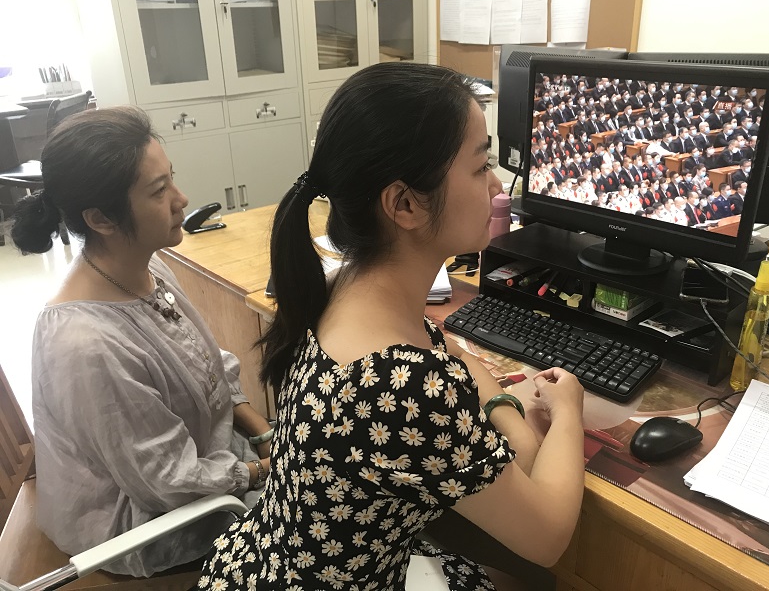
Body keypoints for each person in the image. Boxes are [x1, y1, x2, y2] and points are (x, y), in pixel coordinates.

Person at [197, 62, 586, 591]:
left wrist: (499, 406)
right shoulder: (402, 385)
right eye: (481, 166)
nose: (497, 186)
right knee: (537, 581)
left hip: (266, 560)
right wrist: (567, 412)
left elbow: (450, 355)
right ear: (403, 204)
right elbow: (548, 536)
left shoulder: (344, 288)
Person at [10, 107, 273, 577]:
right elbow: (168, 484)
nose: (181, 199)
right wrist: (261, 471)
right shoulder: (85, 345)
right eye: (158, 191)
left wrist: (263, 433)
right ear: (100, 219)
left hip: (207, 466)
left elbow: (209, 365)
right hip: (150, 523)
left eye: (172, 179)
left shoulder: (146, 267)